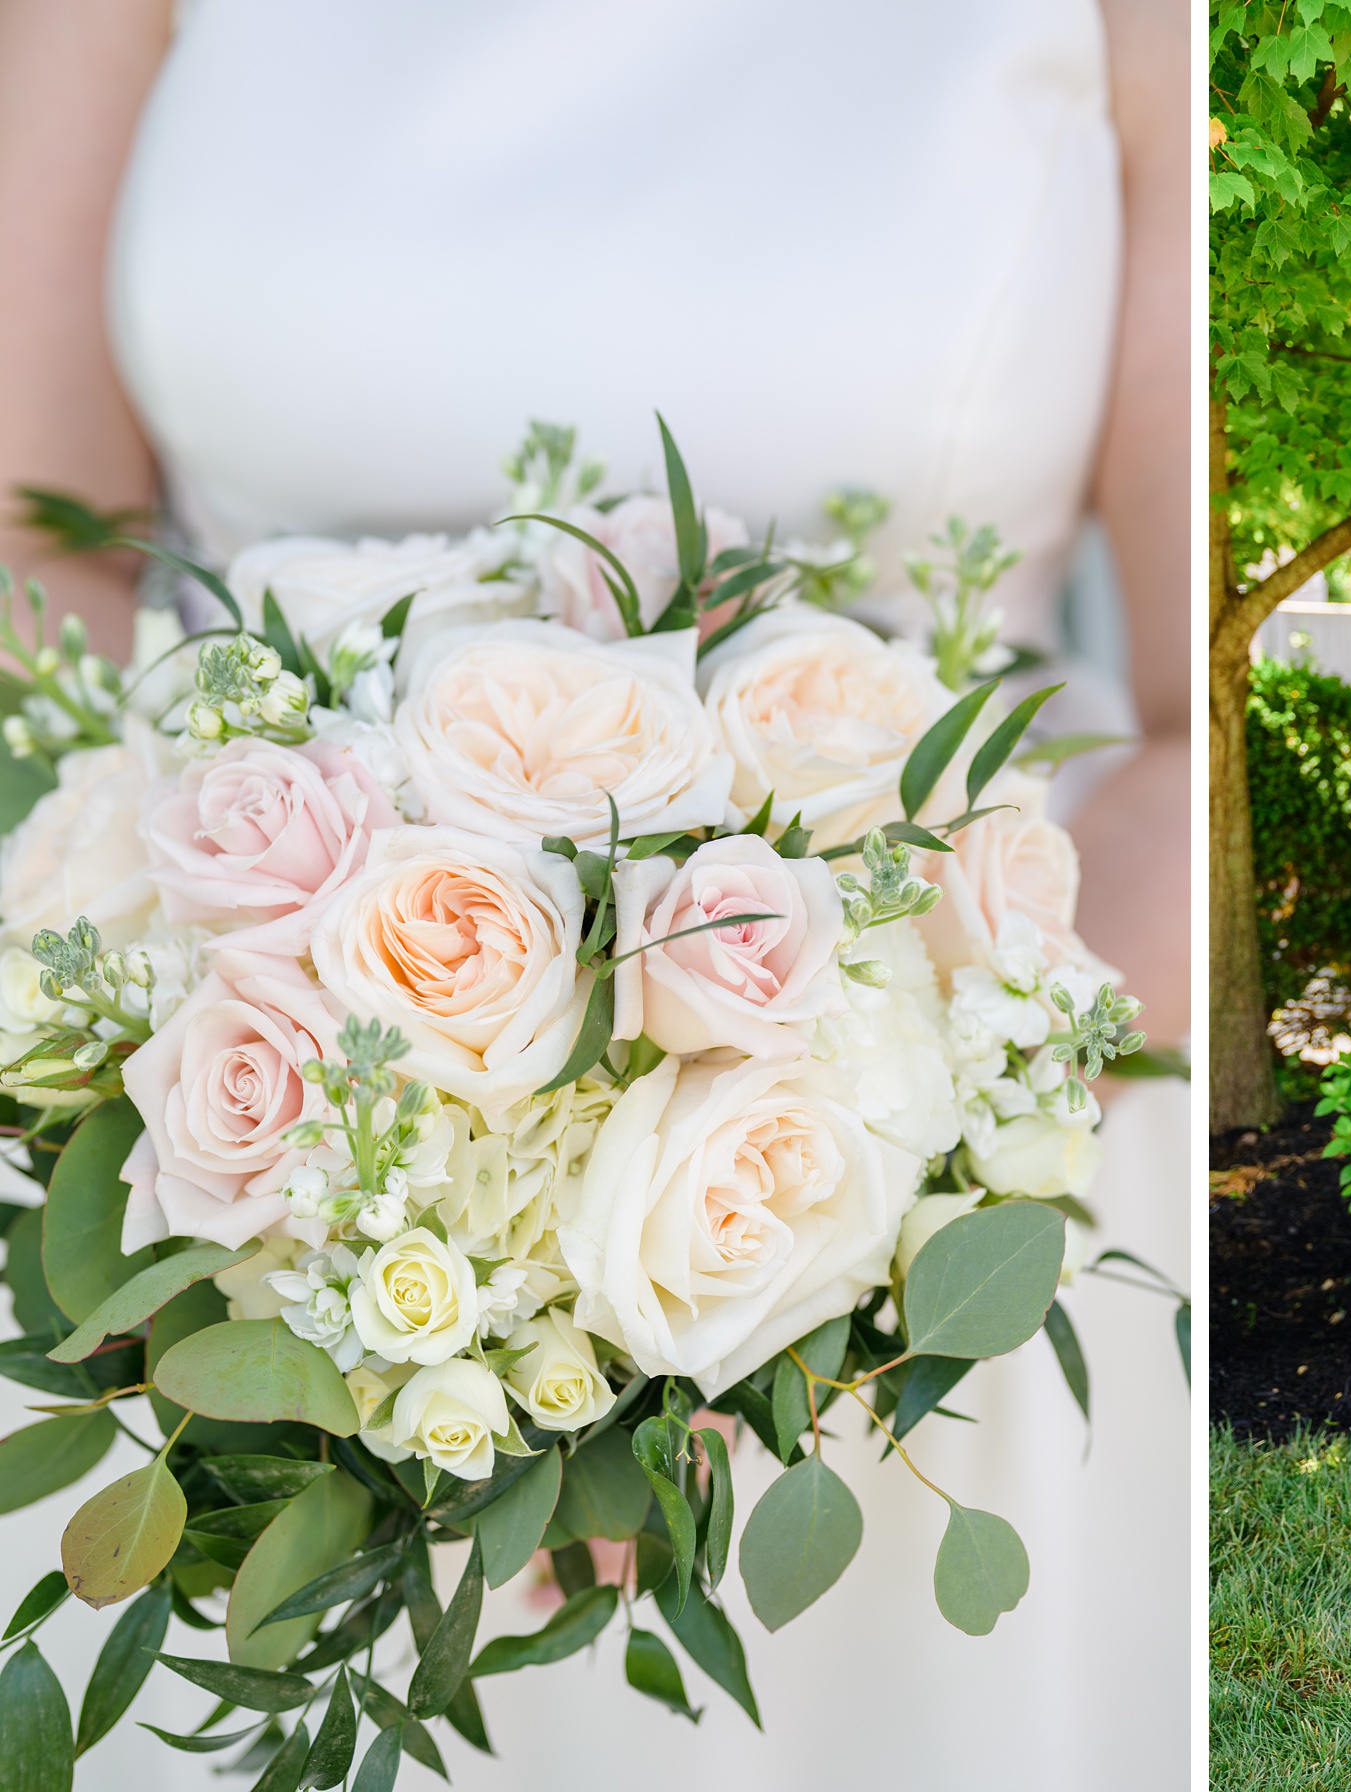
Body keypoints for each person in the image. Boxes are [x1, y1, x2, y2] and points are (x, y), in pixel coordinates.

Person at [0, 4, 1189, 1787]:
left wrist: (827, 1260)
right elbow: (47, 544)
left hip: (941, 1186)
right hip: (212, 1193)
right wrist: (224, 1156)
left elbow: (1192, 705)